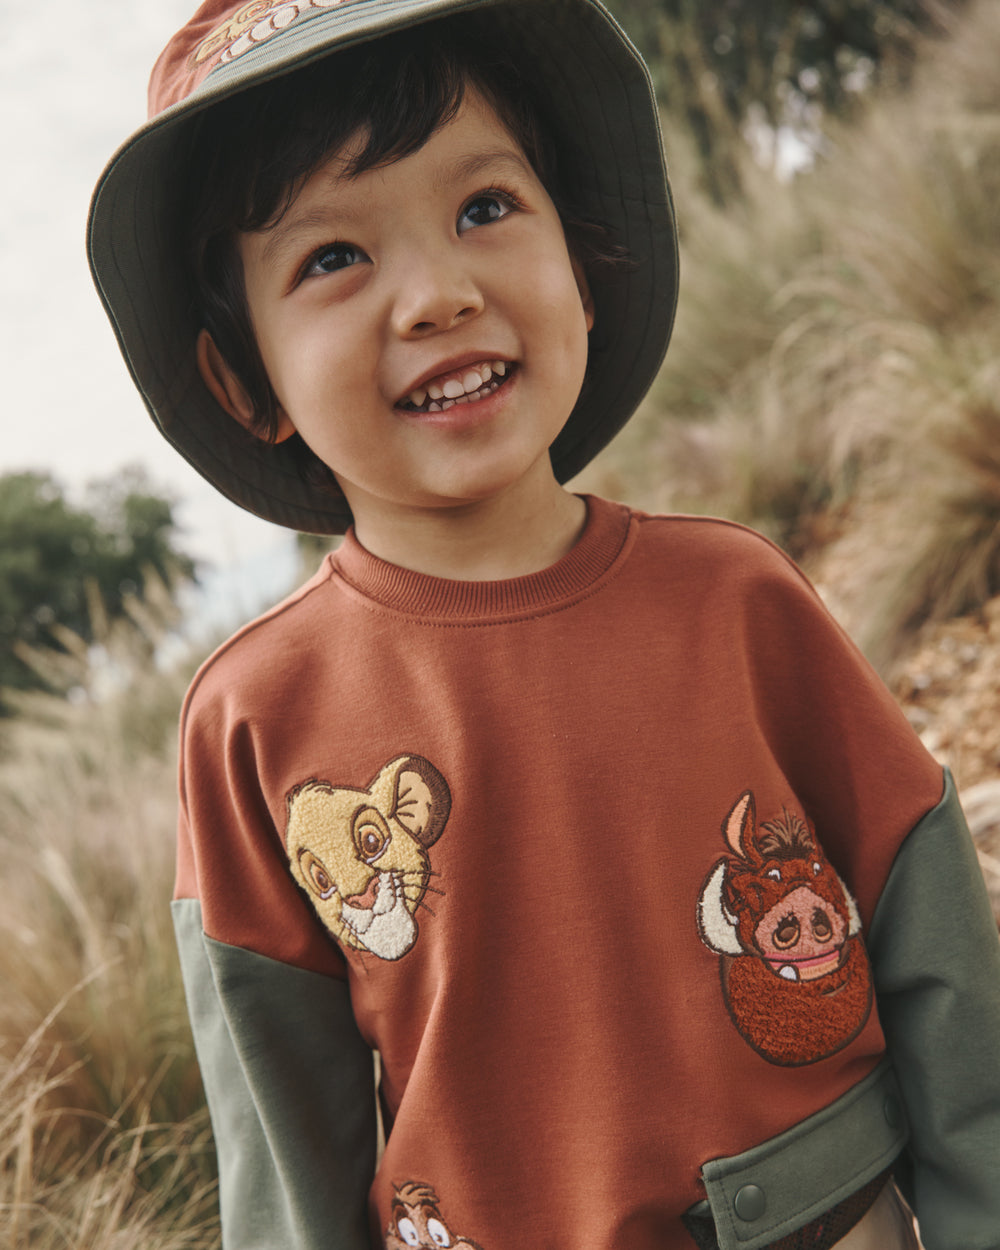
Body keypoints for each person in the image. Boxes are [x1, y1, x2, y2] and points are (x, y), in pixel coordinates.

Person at [87, 2, 1000, 1247]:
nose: (438, 294)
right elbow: (284, 1159)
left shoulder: (737, 601)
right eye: (331, 258)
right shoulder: (252, 721)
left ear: (581, 256)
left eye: (484, 208)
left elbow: (937, 950)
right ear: (243, 381)